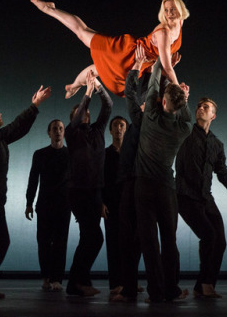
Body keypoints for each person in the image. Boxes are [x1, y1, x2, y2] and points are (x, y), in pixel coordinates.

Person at [31, 0, 189, 97]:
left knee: (101, 68)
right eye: (166, 10)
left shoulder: (179, 22)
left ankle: (74, 85)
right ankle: (49, 9)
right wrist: (178, 90)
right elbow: (167, 67)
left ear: (180, 10)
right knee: (83, 32)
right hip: (126, 53)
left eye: (172, 10)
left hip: (137, 64)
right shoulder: (164, 32)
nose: (169, 14)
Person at [175, 98, 227, 298]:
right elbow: (177, 114)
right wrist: (183, 99)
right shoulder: (184, 133)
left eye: (206, 107)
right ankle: (205, 284)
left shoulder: (217, 144)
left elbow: (222, 173)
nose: (200, 108)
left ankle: (201, 286)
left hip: (206, 198)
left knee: (220, 241)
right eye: (199, 106)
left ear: (213, 116)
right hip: (185, 196)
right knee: (209, 236)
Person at [0, 85, 52, 299]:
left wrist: (34, 109)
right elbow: (14, 127)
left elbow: (20, 129)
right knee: (1, 241)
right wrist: (35, 105)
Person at [134, 57, 192, 303]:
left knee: (149, 242)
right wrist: (179, 88)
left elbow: (153, 84)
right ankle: (171, 290)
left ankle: (155, 292)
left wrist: (162, 60)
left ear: (163, 102)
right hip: (166, 189)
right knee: (170, 240)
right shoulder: (184, 128)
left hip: (143, 186)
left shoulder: (151, 117)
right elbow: (185, 113)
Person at [65, 71, 112, 297]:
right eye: (81, 112)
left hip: (95, 192)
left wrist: (98, 87)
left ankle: (78, 282)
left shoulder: (98, 131)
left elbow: (109, 105)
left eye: (86, 112)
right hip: (78, 191)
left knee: (91, 237)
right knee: (93, 237)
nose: (85, 114)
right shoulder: (71, 132)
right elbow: (78, 115)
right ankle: (76, 282)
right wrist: (87, 93)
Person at [110, 47, 148, 302]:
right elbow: (140, 96)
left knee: (133, 240)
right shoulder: (146, 124)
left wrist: (136, 67)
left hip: (134, 185)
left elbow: (132, 95)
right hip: (132, 185)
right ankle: (131, 287)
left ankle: (133, 288)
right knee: (135, 241)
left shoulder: (142, 122)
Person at [25, 119, 71, 292]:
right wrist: (29, 202)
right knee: (44, 242)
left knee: (60, 243)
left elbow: (75, 181)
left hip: (64, 205)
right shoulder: (40, 154)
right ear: (49, 133)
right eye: (54, 128)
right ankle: (46, 276)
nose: (58, 131)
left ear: (64, 132)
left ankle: (57, 278)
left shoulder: (70, 154)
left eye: (60, 128)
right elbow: (33, 179)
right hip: (44, 204)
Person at [102, 115, 128, 295]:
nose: (118, 128)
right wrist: (100, 202)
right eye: (115, 126)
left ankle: (128, 281)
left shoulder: (131, 154)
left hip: (129, 204)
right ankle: (115, 284)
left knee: (130, 244)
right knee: (113, 244)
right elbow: (98, 180)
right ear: (110, 131)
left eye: (121, 125)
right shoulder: (104, 154)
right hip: (110, 205)